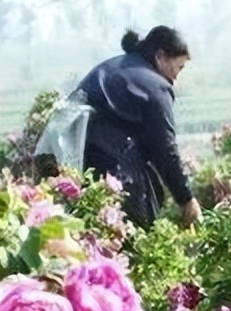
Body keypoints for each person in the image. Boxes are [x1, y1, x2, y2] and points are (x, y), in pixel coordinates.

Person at [77, 26, 202, 229]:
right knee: (133, 240)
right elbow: (164, 149)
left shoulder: (111, 67)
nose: (176, 78)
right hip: (120, 174)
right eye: (179, 68)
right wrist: (186, 198)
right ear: (161, 56)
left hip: (81, 168)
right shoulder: (155, 87)